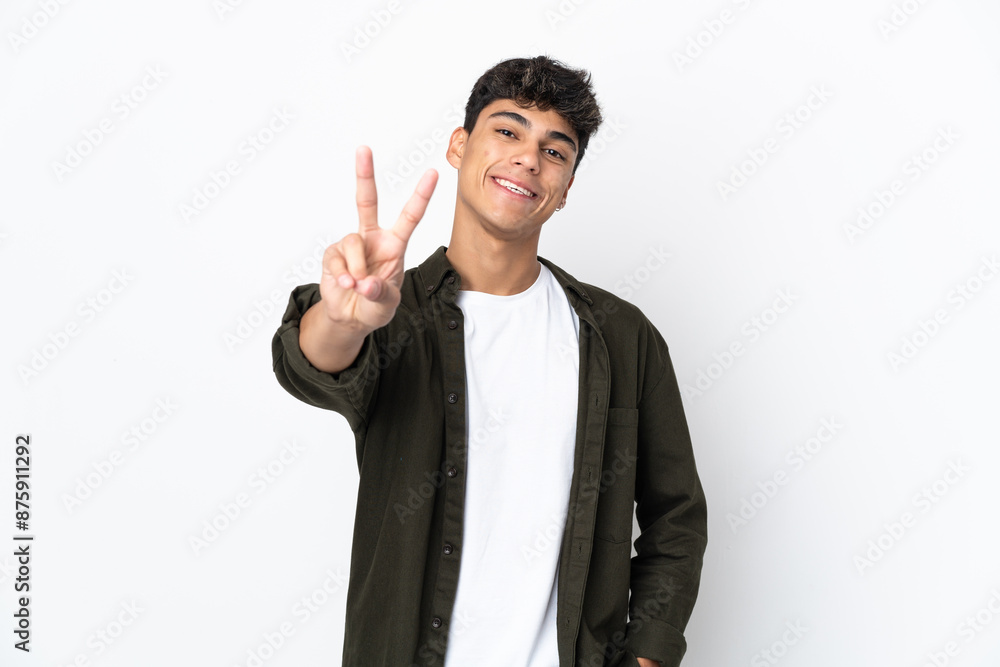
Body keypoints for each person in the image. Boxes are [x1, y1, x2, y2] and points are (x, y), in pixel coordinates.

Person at [271, 55, 707, 667]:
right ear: (459, 145)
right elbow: (312, 364)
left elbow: (676, 516)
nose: (529, 158)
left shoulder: (621, 336)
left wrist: (647, 656)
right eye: (508, 131)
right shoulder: (394, 314)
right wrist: (341, 319)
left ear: (566, 187)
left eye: (555, 151)